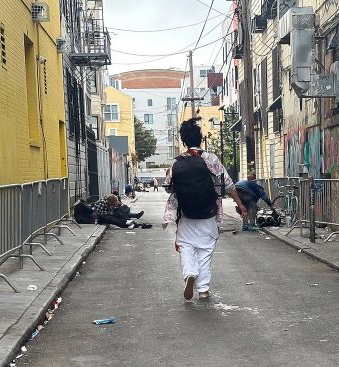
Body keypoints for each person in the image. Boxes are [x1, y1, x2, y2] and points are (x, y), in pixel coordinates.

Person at [163, 117, 248, 301]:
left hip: (186, 216)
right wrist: (240, 204)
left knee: (186, 248)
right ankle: (203, 289)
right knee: (205, 251)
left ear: (184, 141)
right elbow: (228, 184)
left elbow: (169, 186)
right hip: (208, 215)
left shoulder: (177, 162)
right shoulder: (211, 159)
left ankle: (190, 274)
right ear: (200, 139)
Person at [73, 195, 151, 229]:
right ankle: (129, 223)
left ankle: (131, 223)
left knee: (116, 216)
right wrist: (110, 212)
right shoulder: (80, 206)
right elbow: (93, 211)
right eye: (85, 203)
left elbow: (91, 211)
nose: (86, 204)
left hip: (96, 216)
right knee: (112, 218)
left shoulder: (79, 207)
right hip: (97, 217)